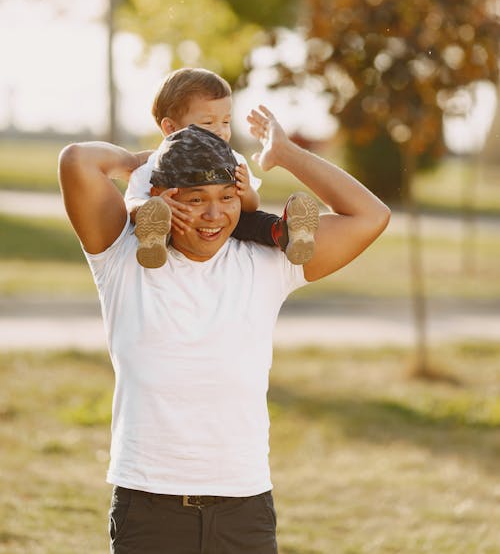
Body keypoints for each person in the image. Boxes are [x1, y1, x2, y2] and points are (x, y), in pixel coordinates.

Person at [58, 104, 390, 554]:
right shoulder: (122, 256)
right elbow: (77, 160)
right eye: (195, 200)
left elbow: (371, 216)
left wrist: (286, 153)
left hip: (243, 508)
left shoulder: (270, 261)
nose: (214, 216)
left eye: (227, 198)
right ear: (162, 195)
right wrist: (150, 159)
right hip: (149, 504)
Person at [126, 67, 319, 268]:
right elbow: (130, 203)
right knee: (164, 221)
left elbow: (251, 207)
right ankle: (153, 241)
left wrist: (246, 192)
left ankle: (284, 232)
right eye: (208, 122)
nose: (220, 130)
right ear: (171, 128)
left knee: (249, 220)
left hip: (228, 224)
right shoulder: (157, 162)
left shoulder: (232, 159)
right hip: (179, 226)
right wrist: (151, 206)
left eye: (226, 121)